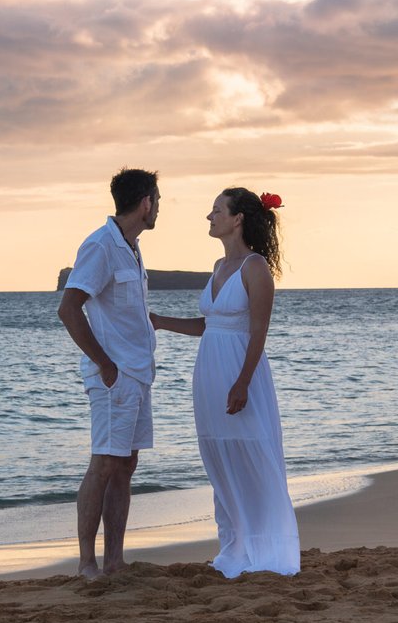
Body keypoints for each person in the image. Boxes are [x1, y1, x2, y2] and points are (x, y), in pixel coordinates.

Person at [152, 188, 299, 576]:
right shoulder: (219, 266)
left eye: (217, 210)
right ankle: (233, 547)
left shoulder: (256, 268)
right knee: (220, 459)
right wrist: (159, 321)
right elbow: (209, 325)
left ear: (237, 219)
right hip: (209, 374)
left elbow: (258, 332)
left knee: (252, 456)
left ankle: (266, 550)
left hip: (240, 373)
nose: (209, 216)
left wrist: (243, 382)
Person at [57, 169, 160, 578]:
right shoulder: (100, 245)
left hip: (138, 373)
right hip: (114, 376)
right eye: (158, 201)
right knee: (103, 464)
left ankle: (115, 560)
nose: (158, 209)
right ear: (146, 203)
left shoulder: (130, 246)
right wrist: (105, 364)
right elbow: (69, 309)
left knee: (125, 465)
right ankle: (87, 563)